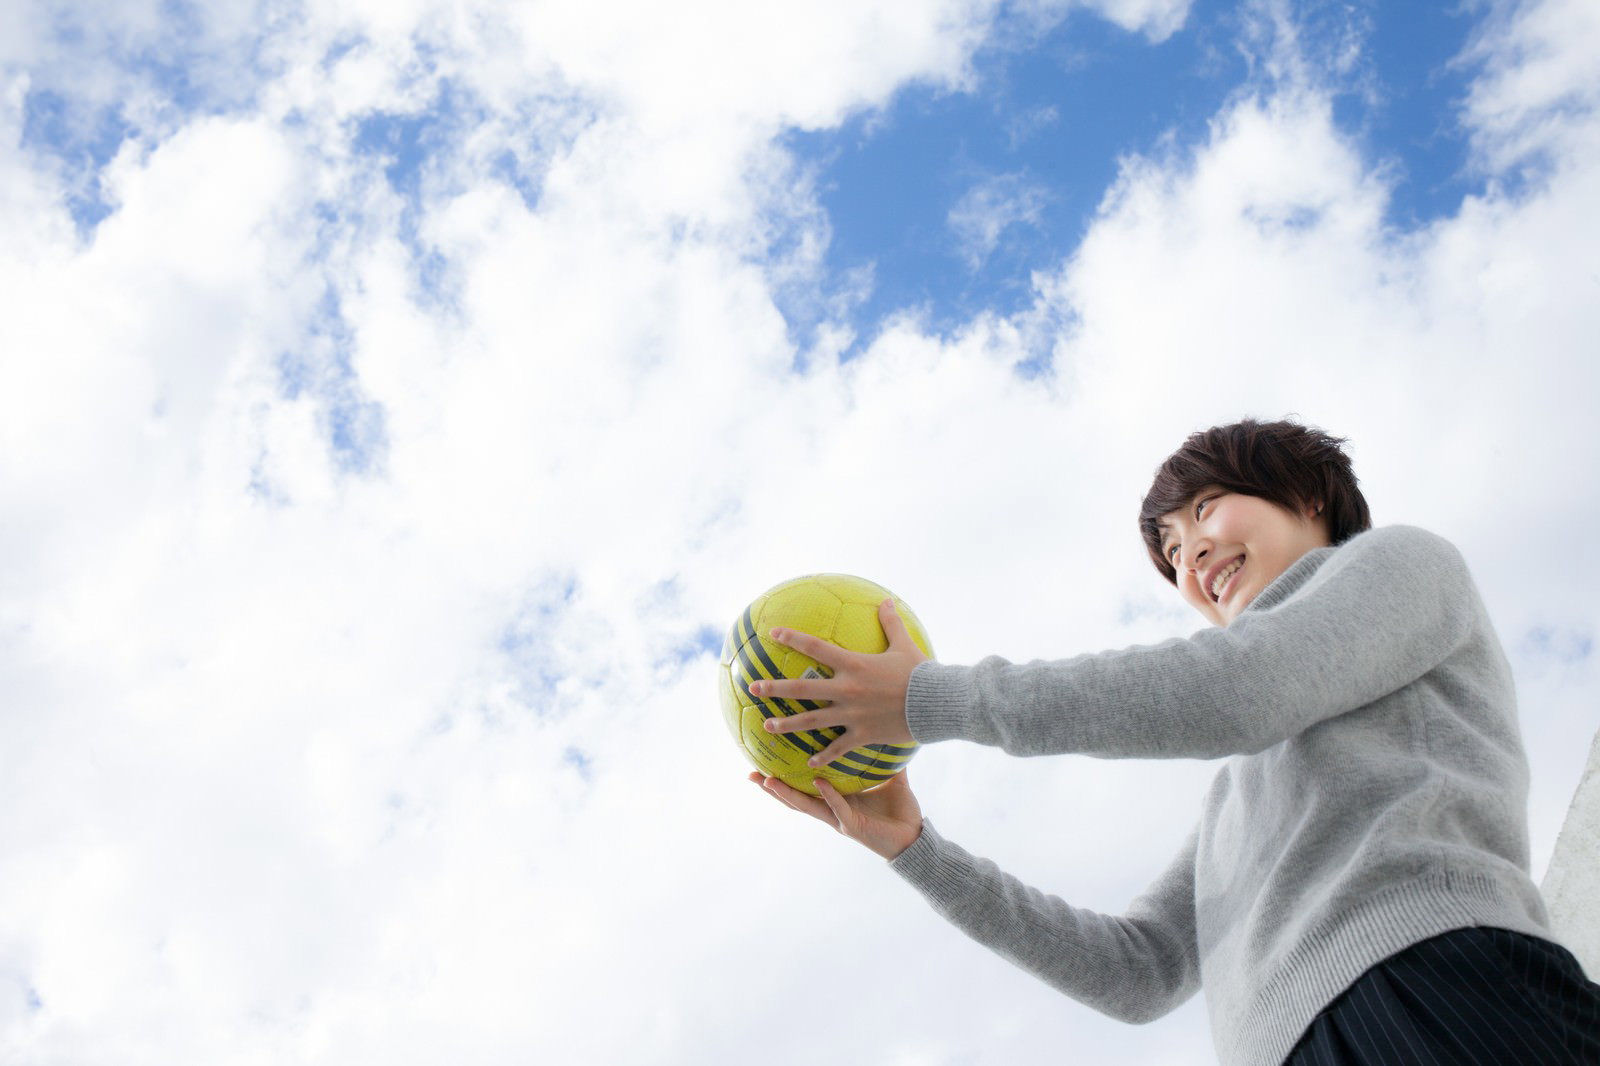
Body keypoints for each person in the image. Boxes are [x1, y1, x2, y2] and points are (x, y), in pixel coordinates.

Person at [747, 418, 1600, 1066]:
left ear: (1307, 496)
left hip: (1436, 984)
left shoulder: (1400, 564)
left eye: (1204, 510)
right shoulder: (1245, 788)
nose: (1190, 553)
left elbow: (1238, 686)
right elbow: (1139, 971)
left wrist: (931, 700)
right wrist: (915, 849)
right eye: (1170, 552)